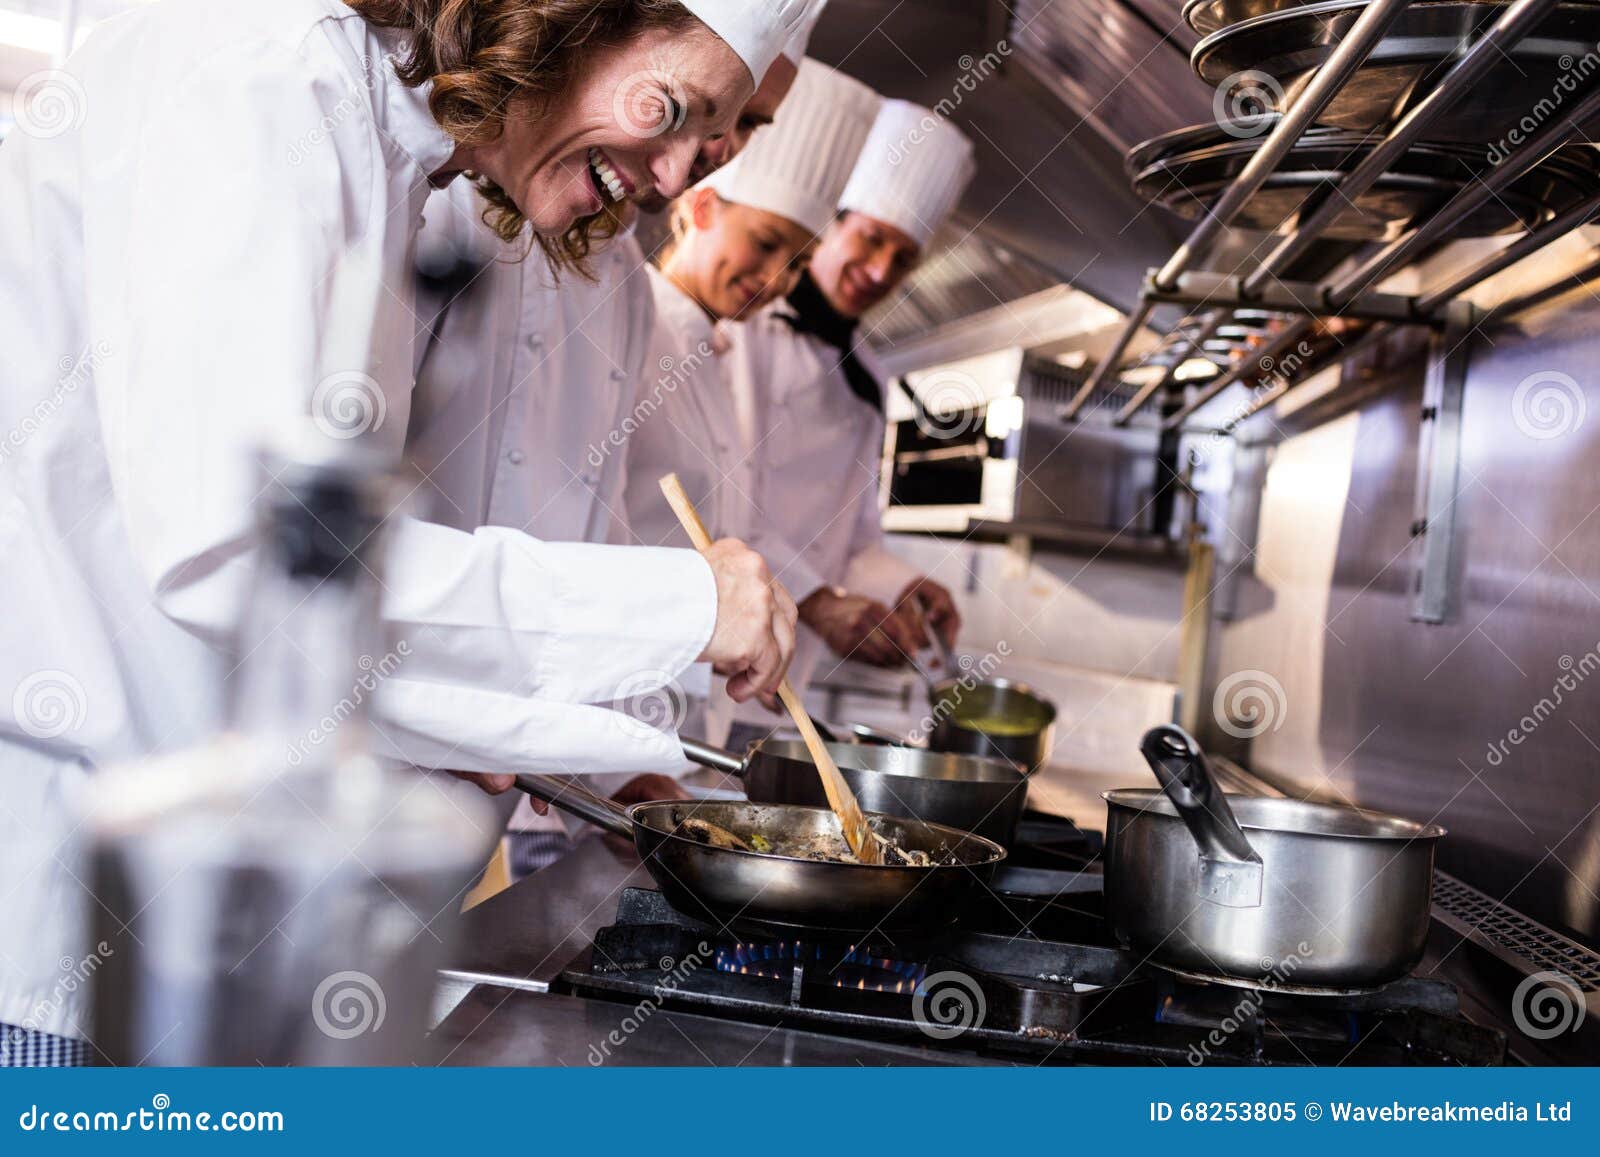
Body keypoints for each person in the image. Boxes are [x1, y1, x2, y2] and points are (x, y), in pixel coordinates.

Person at [0, 0, 808, 1065]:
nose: (673, 180)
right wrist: (683, 606)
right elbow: (246, 552)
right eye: (682, 113)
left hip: (212, 923)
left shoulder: (382, 140)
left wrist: (573, 742)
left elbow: (342, 568)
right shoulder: (261, 67)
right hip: (70, 925)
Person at [406, 3, 827, 866]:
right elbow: (313, 556)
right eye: (693, 111)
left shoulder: (621, 281)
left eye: (743, 124)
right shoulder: (440, 199)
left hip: (463, 800)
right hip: (362, 766)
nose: (699, 160)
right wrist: (679, 610)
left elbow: (594, 521)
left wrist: (616, 760)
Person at [621, 58, 882, 744]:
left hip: (674, 725)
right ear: (701, 207)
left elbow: (724, 534)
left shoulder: (716, 356)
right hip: (608, 719)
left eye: (795, 261)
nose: (774, 279)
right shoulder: (631, 322)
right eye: (766, 244)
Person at [726, 101, 978, 741]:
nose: (880, 272)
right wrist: (818, 601)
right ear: (827, 226)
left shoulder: (868, 375)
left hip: (781, 679)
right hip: (702, 651)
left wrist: (903, 587)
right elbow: (720, 502)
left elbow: (852, 537)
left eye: (904, 258)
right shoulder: (737, 328)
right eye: (871, 239)